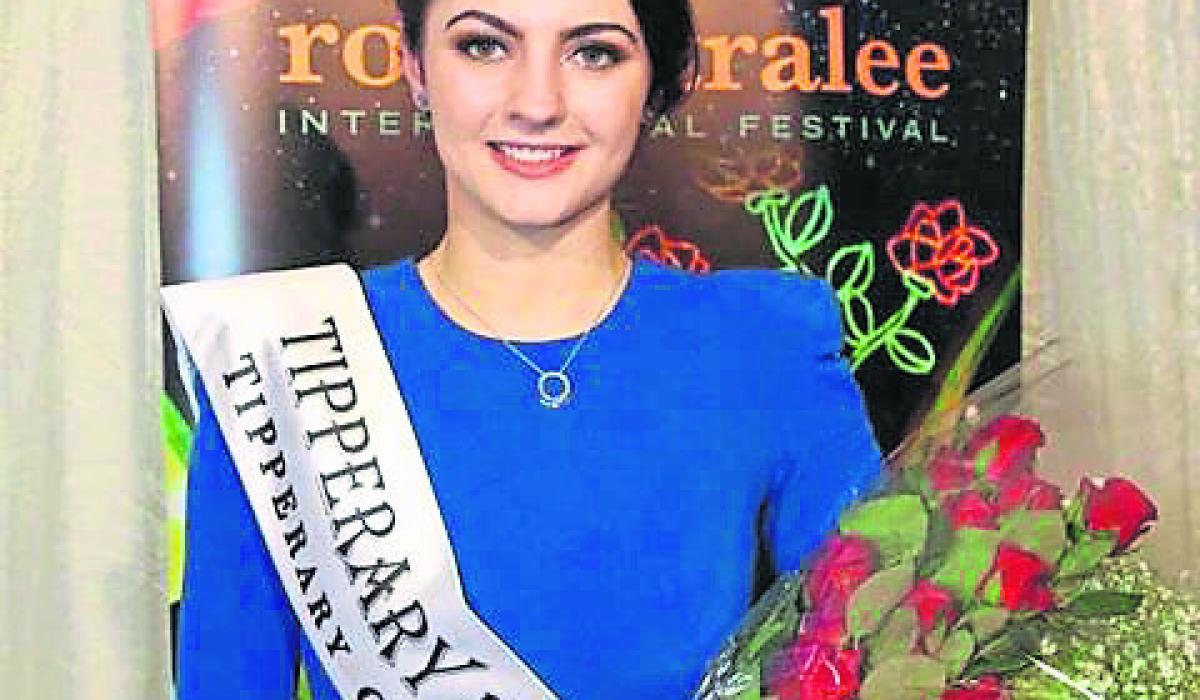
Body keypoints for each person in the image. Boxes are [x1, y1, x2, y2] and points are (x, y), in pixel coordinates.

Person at [175, 0, 883, 697]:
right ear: (415, 67)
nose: (537, 103)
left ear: (655, 82)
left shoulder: (765, 343)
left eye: (594, 52)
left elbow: (889, 653)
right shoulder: (281, 363)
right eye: (485, 46)